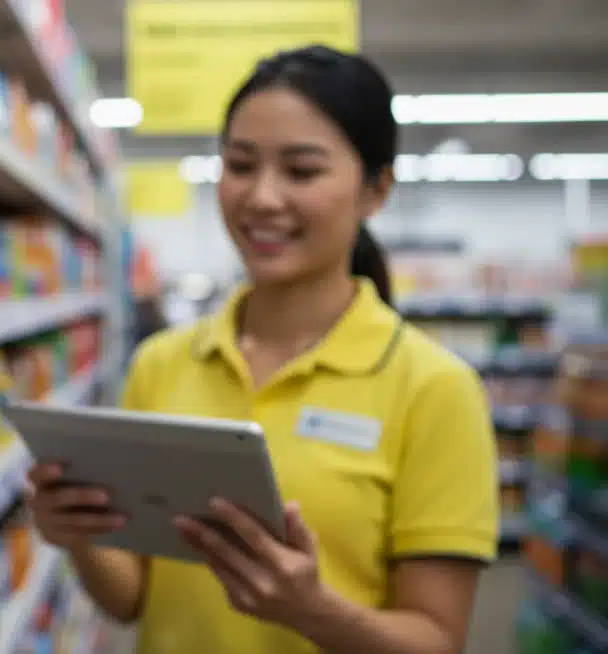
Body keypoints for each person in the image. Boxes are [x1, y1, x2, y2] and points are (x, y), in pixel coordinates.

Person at [26, 45, 497, 654]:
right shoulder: (163, 363)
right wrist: (80, 537)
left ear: (376, 190)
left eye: (302, 171)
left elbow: (437, 640)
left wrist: (313, 611)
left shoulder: (433, 388)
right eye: (241, 165)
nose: (262, 198)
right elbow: (133, 599)